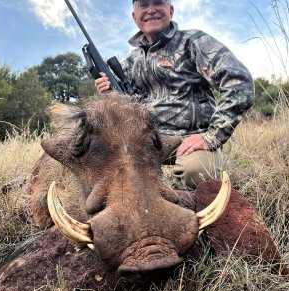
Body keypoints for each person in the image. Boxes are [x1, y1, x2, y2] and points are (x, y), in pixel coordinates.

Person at [95, 0, 254, 189]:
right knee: (99, 162)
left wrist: (211, 136)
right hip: (146, 142)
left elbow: (240, 82)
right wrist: (109, 94)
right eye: (144, 5)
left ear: (170, 10)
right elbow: (127, 106)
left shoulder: (194, 41)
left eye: (158, 3)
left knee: (196, 173)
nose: (151, 10)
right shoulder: (131, 60)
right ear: (134, 16)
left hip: (192, 139)